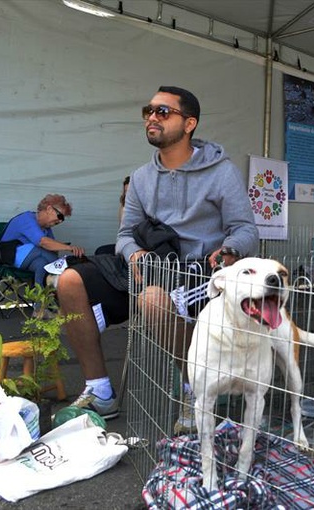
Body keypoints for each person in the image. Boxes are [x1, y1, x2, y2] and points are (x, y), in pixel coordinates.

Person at [55, 86, 259, 420]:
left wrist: (231, 249)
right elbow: (124, 235)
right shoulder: (140, 178)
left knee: (152, 299)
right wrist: (134, 253)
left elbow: (246, 229)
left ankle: (197, 386)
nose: (152, 117)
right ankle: (100, 391)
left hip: (198, 271)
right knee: (69, 281)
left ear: (189, 123)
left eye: (163, 112)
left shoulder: (223, 172)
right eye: (148, 111)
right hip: (148, 266)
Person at [0, 194, 85, 289]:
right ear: (49, 209)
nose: (60, 221)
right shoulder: (27, 219)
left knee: (42, 264)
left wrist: (57, 248)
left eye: (63, 219)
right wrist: (69, 248)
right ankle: (73, 272)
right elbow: (43, 242)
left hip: (28, 259)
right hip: (9, 256)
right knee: (41, 249)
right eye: (60, 216)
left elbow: (52, 250)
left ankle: (40, 300)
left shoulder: (46, 228)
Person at [94, 175, 131, 256]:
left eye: (131, 192)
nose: (128, 195)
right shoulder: (124, 206)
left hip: (137, 247)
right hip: (126, 244)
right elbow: (122, 230)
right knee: (100, 252)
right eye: (126, 191)